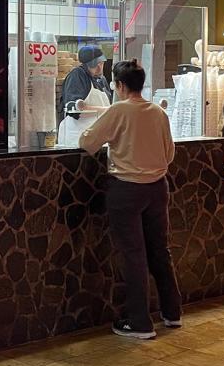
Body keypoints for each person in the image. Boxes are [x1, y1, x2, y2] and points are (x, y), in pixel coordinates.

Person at [79, 59, 181, 339]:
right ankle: (172, 313)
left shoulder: (119, 110)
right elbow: (169, 153)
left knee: (134, 255)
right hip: (158, 189)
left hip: (126, 190)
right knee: (160, 250)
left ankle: (140, 322)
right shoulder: (157, 112)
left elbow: (88, 143)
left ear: (120, 85)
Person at [57, 45, 112, 147]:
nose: (99, 68)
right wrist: (107, 110)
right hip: (78, 136)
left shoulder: (102, 79)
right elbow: (75, 109)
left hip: (97, 136)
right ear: (86, 65)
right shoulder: (78, 75)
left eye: (101, 63)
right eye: (95, 65)